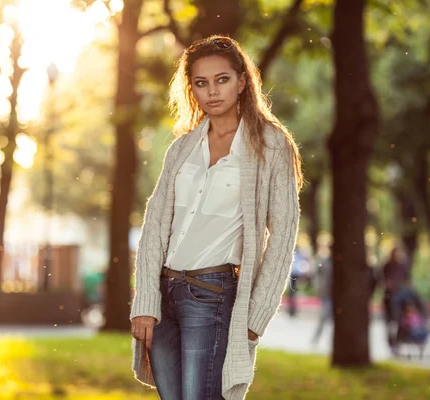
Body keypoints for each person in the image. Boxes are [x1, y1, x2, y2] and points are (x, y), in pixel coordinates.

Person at [129, 36, 303, 400]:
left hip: (212, 294)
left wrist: (257, 316)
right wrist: (146, 302)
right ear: (191, 89)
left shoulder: (270, 145)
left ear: (242, 82)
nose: (212, 91)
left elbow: (284, 234)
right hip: (163, 296)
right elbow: (155, 227)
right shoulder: (182, 148)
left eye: (222, 79)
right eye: (201, 83)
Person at [381, 247, 409, 352]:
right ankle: (391, 343)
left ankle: (396, 343)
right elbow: (384, 280)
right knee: (390, 322)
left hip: (399, 296)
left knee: (398, 321)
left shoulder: (402, 266)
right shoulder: (387, 266)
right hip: (389, 297)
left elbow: (406, 280)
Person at [311, 244, 332, 345]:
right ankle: (316, 339)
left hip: (331, 294)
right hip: (327, 294)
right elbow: (317, 275)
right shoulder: (325, 262)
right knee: (324, 317)